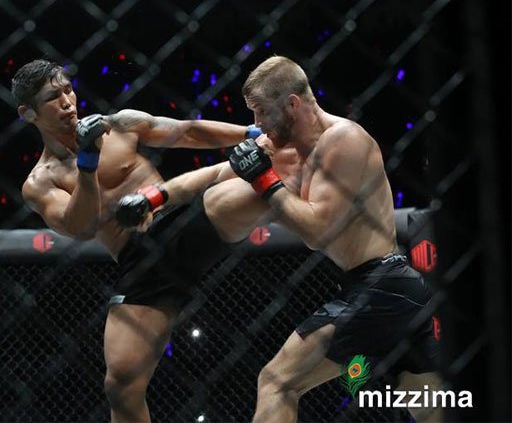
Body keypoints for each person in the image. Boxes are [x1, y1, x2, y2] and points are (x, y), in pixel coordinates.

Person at [116, 55, 441, 422]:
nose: (256, 124)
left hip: (382, 285)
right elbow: (212, 175)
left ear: (292, 104)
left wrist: (264, 180)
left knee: (277, 383)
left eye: (261, 113)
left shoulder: (344, 140)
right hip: (384, 287)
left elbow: (319, 230)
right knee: (431, 409)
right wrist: (153, 197)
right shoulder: (285, 149)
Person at [12, 58, 297, 422]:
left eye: (68, 90)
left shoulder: (120, 124)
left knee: (257, 162)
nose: (67, 102)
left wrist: (249, 132)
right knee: (120, 386)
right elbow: (80, 226)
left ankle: (320, 175)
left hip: (179, 222)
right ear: (29, 113)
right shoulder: (40, 182)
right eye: (53, 97)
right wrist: (87, 162)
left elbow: (188, 132)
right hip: (139, 261)